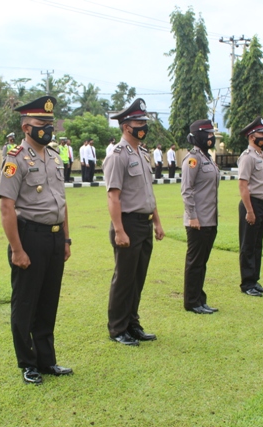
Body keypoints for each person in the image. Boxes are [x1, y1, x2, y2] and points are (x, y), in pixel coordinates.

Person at [0, 96, 73, 385]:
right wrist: (17, 249)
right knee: (25, 303)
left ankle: (47, 360)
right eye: (42, 124)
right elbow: (6, 207)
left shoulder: (55, 156)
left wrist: (67, 239)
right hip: (29, 237)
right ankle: (27, 363)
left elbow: (62, 202)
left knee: (48, 301)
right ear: (26, 126)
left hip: (55, 238)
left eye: (50, 124)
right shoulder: (15, 159)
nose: (48, 129)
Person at [104, 98, 164, 346]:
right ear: (126, 126)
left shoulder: (142, 152)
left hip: (144, 223)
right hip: (127, 224)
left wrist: (157, 222)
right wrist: (119, 230)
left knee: (138, 278)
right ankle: (118, 328)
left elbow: (148, 192)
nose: (143, 126)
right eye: (139, 122)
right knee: (124, 278)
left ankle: (132, 323)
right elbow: (113, 196)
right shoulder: (117, 155)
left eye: (144, 122)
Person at [181, 120, 220, 314]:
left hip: (210, 219)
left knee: (202, 262)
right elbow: (186, 190)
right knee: (195, 262)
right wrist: (192, 216)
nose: (211, 137)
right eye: (208, 134)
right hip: (197, 221)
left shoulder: (208, 158)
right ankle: (191, 302)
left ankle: (199, 298)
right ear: (199, 136)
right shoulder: (192, 159)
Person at [237, 117, 263, 297]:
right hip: (251, 204)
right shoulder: (248, 157)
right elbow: (243, 185)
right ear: (252, 136)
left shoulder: (262, 156)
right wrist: (250, 210)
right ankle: (247, 283)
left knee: (257, 244)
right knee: (248, 245)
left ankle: (255, 279)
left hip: (262, 205)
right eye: (261, 134)